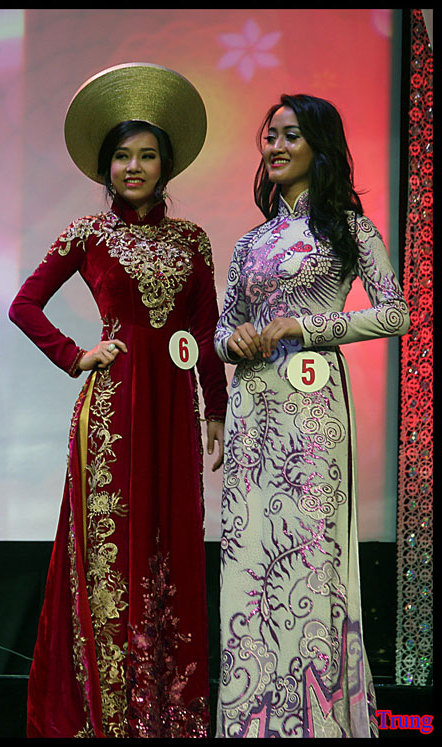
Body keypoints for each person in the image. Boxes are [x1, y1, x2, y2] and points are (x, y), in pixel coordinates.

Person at [9, 63, 226, 738]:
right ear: (106, 167)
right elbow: (23, 305)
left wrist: (215, 408)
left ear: (165, 165)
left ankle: (166, 712)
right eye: (123, 156)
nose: (134, 167)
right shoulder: (87, 234)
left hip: (175, 411)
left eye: (147, 155)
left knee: (172, 548)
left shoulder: (192, 240)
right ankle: (107, 711)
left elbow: (205, 330)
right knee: (113, 550)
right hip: (113, 413)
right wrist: (77, 354)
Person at [215, 94, 409, 738]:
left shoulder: (349, 228)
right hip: (252, 409)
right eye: (270, 135)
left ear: (319, 147)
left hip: (311, 408)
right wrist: (235, 340)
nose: (274, 146)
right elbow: (221, 328)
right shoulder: (250, 241)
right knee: (250, 564)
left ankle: (317, 722)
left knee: (308, 560)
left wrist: (309, 325)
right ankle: (252, 722)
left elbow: (396, 312)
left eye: (290, 135)